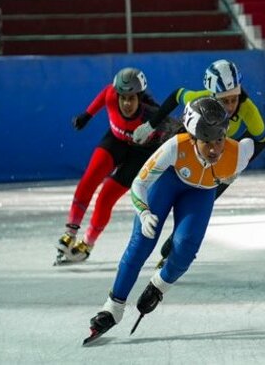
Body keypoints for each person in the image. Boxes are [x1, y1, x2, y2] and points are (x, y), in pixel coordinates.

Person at [84, 97, 255, 343]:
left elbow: (248, 151)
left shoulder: (239, 152)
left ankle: (158, 285)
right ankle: (112, 307)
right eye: (206, 141)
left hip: (201, 192)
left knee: (186, 247)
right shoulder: (176, 146)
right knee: (143, 240)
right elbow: (139, 183)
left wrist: (160, 285)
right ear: (193, 137)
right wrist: (143, 213)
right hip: (168, 183)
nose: (215, 149)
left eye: (219, 139)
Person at [132, 59, 265, 265]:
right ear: (212, 97)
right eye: (225, 101)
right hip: (192, 146)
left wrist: (238, 164)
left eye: (234, 99)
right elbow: (177, 95)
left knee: (200, 204)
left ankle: (175, 244)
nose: (231, 106)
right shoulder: (200, 98)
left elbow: (262, 140)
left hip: (217, 155)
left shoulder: (247, 108)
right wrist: (151, 125)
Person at [54, 67, 181, 264]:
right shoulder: (111, 96)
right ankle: (70, 232)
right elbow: (105, 92)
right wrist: (87, 115)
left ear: (139, 97)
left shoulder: (152, 116)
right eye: (123, 97)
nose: (127, 103)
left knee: (106, 197)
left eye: (131, 98)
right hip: (116, 141)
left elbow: (178, 131)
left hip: (139, 154)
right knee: (89, 180)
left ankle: (87, 245)